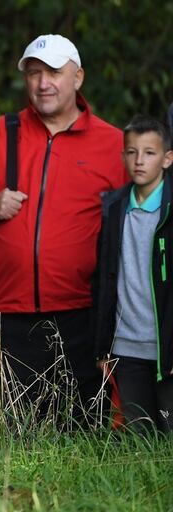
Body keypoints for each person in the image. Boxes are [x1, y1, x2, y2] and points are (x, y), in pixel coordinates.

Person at [0, 34, 126, 429]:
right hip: (7, 316)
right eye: (34, 73)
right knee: (5, 436)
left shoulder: (113, 144)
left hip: (82, 318)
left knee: (84, 435)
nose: (43, 82)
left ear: (78, 77)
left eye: (53, 72)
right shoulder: (1, 132)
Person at [94, 115, 173, 432]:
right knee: (139, 441)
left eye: (150, 152)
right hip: (126, 349)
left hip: (165, 347)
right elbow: (104, 279)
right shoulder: (114, 208)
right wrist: (103, 346)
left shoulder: (169, 211)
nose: (139, 161)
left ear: (167, 158)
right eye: (131, 152)